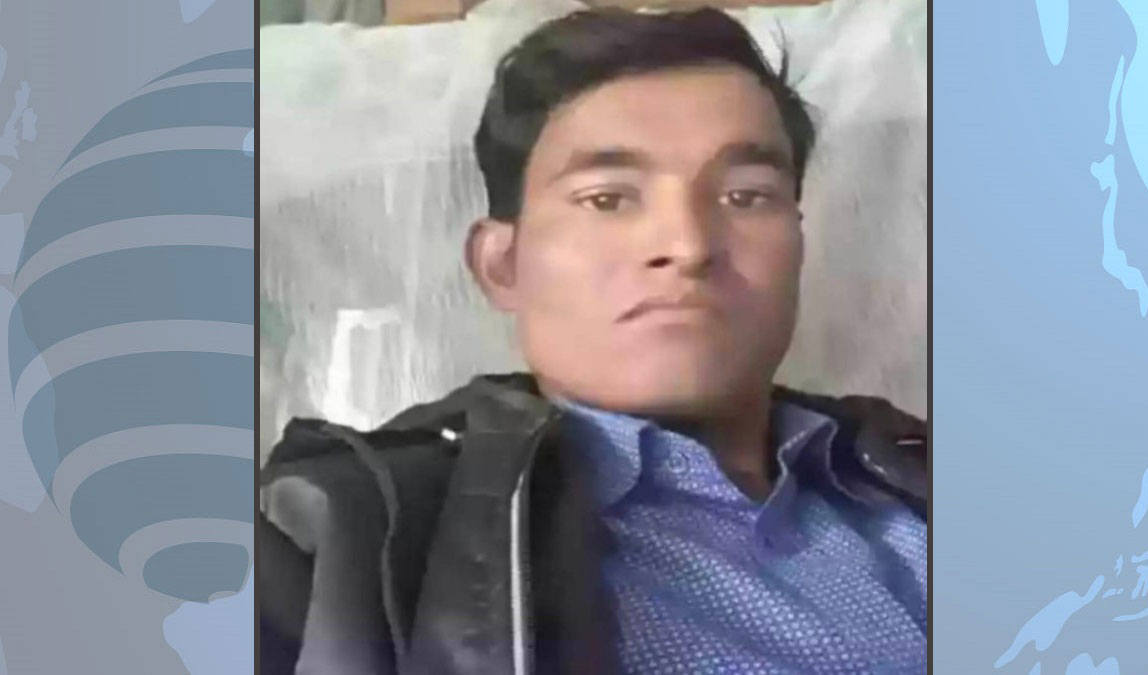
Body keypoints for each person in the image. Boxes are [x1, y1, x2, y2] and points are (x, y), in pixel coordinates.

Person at [260, 7, 928, 675]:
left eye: (746, 196)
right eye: (608, 198)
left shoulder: (919, 475)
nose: (688, 245)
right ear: (502, 264)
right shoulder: (332, 533)